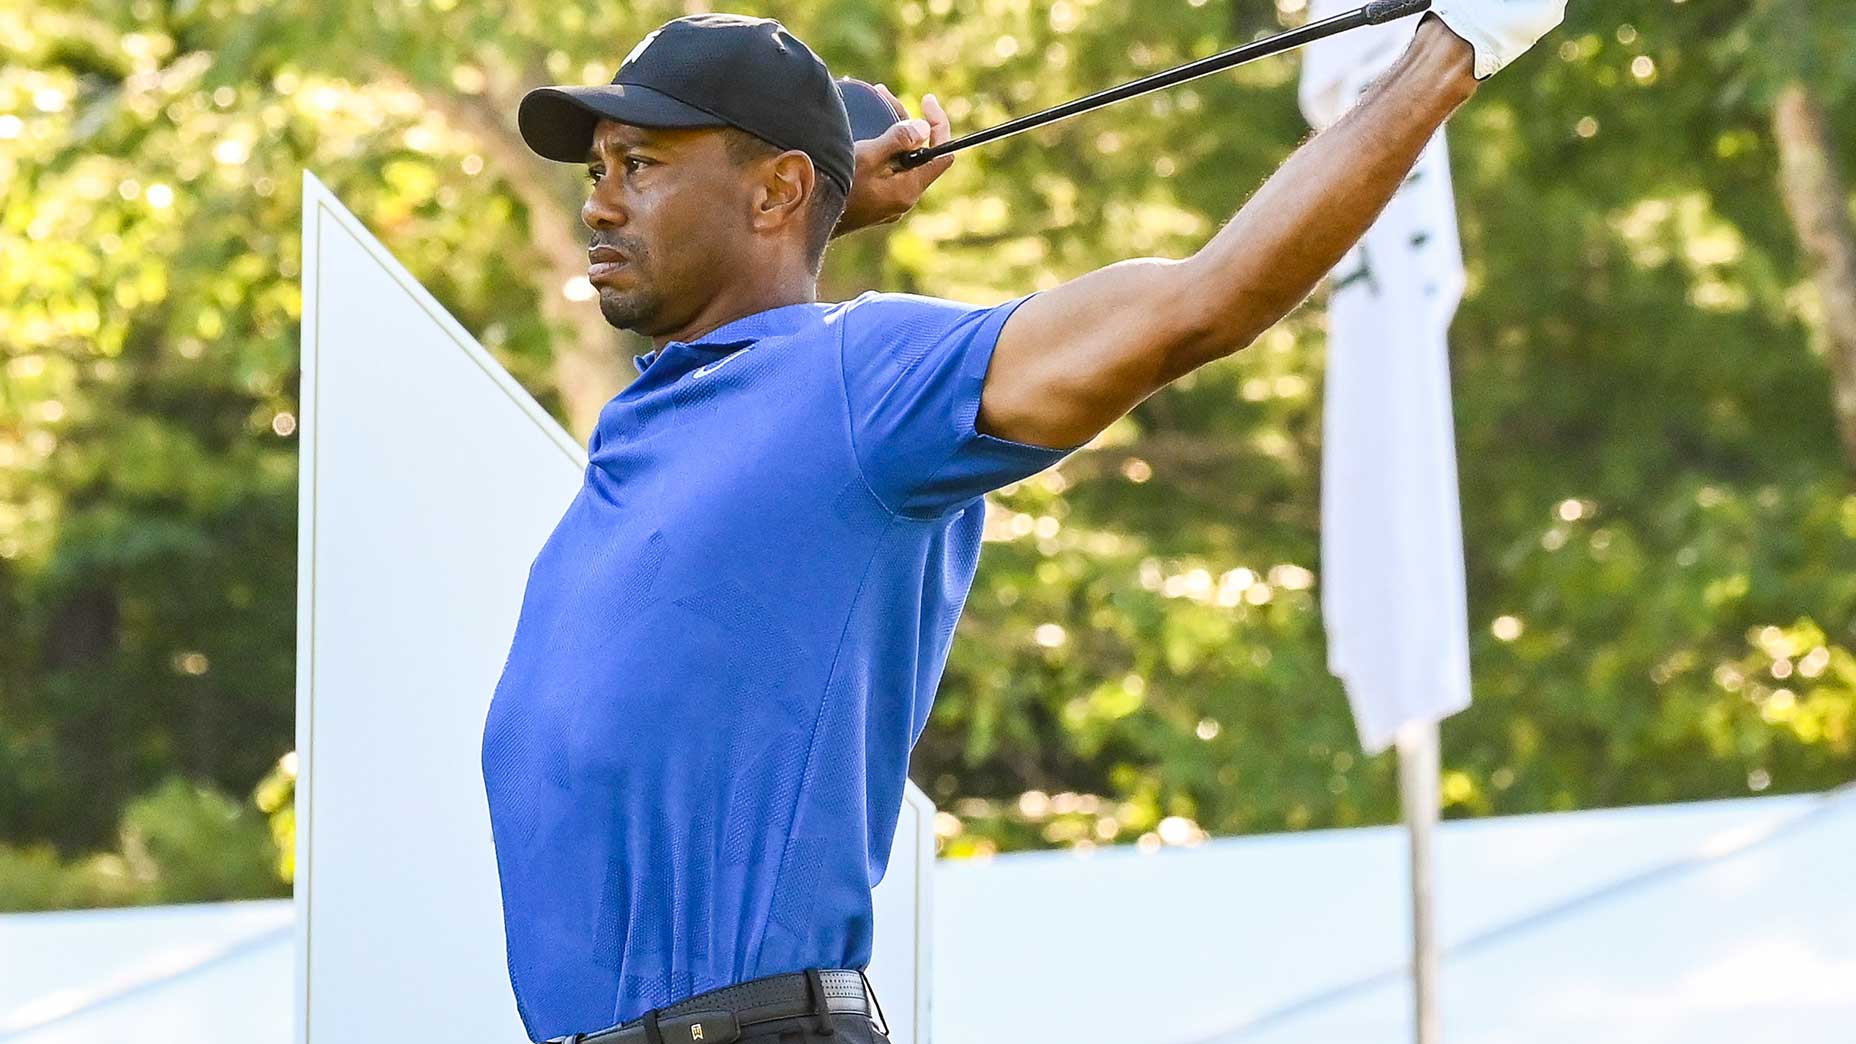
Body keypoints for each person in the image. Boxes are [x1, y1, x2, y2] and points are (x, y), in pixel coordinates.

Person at [481, 5, 1566, 1042]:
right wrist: (818, 205)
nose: (600, 205)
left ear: (774, 190)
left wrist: (1452, 50)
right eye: (598, 170)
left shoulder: (868, 382)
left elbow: (1204, 302)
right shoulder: (662, 410)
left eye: (640, 165)